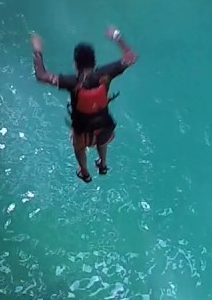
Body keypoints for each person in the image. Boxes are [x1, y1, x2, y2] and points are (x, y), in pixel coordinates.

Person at [30, 25, 137, 183]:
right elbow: (131, 57)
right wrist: (117, 36)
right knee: (101, 138)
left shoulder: (72, 82)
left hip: (82, 131)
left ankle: (84, 172)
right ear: (94, 62)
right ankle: (102, 164)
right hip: (104, 127)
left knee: (78, 146)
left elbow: (41, 75)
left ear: (75, 64)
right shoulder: (105, 74)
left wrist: (37, 50)